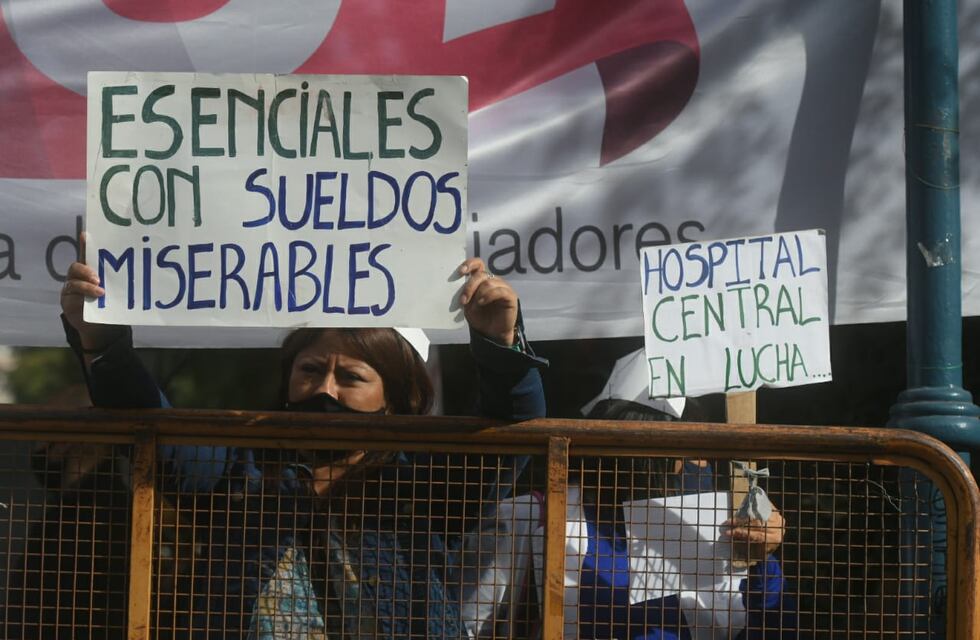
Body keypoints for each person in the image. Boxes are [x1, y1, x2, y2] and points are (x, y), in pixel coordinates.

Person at [59, 250, 547, 639]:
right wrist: (102, 343)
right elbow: (151, 428)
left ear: (396, 400)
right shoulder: (241, 471)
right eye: (310, 370)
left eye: (351, 377)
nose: (325, 390)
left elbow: (508, 434)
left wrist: (500, 345)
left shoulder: (426, 486)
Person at [574, 397, 797, 640]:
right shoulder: (568, 529)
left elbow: (775, 628)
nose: (702, 464)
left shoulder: (716, 532)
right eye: (689, 452)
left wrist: (759, 559)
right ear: (644, 459)